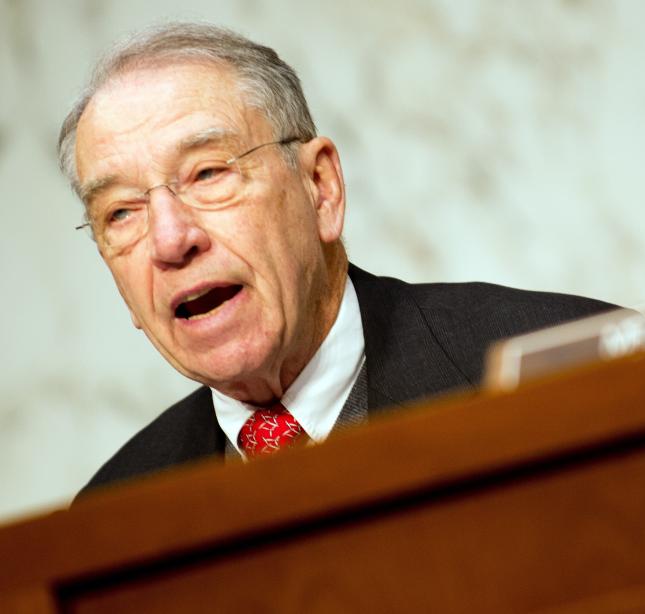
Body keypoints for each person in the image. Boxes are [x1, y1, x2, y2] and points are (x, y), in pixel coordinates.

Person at [59, 22, 614, 497]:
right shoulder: (111, 513)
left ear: (320, 188)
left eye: (208, 174)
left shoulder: (574, 375)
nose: (170, 241)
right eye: (121, 213)